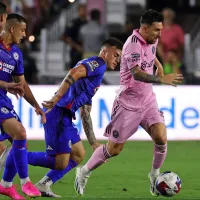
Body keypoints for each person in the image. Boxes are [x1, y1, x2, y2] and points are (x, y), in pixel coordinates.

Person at [74, 9, 183, 197]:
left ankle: (154, 176)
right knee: (114, 149)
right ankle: (83, 172)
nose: (159, 34)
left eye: (160, 29)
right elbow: (137, 74)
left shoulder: (151, 39)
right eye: (156, 30)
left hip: (148, 100)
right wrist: (161, 80)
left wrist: (157, 64)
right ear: (144, 28)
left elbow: (151, 52)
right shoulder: (131, 45)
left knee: (161, 137)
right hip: (128, 105)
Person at [22, 38, 123, 198]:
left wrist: (93, 143)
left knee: (78, 154)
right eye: (116, 55)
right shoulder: (98, 63)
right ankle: (15, 155)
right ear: (106, 51)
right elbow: (73, 73)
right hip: (58, 112)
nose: (118, 60)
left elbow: (85, 113)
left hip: (65, 116)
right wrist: (56, 98)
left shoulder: (94, 78)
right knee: (60, 161)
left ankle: (43, 185)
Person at [0, 13, 46, 200]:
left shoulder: (16, 54)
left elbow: (22, 85)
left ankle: (6, 185)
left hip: (2, 99)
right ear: (12, 29)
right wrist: (5, 85)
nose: (25, 34)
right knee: (20, 133)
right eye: (23, 30)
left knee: (20, 141)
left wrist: (36, 105)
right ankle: (25, 181)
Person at [61, 3, 87, 69]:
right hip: (76, 52)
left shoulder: (88, 23)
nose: (84, 12)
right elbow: (65, 37)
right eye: (82, 10)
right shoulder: (74, 23)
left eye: (85, 10)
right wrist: (76, 46)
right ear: (78, 11)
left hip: (86, 51)